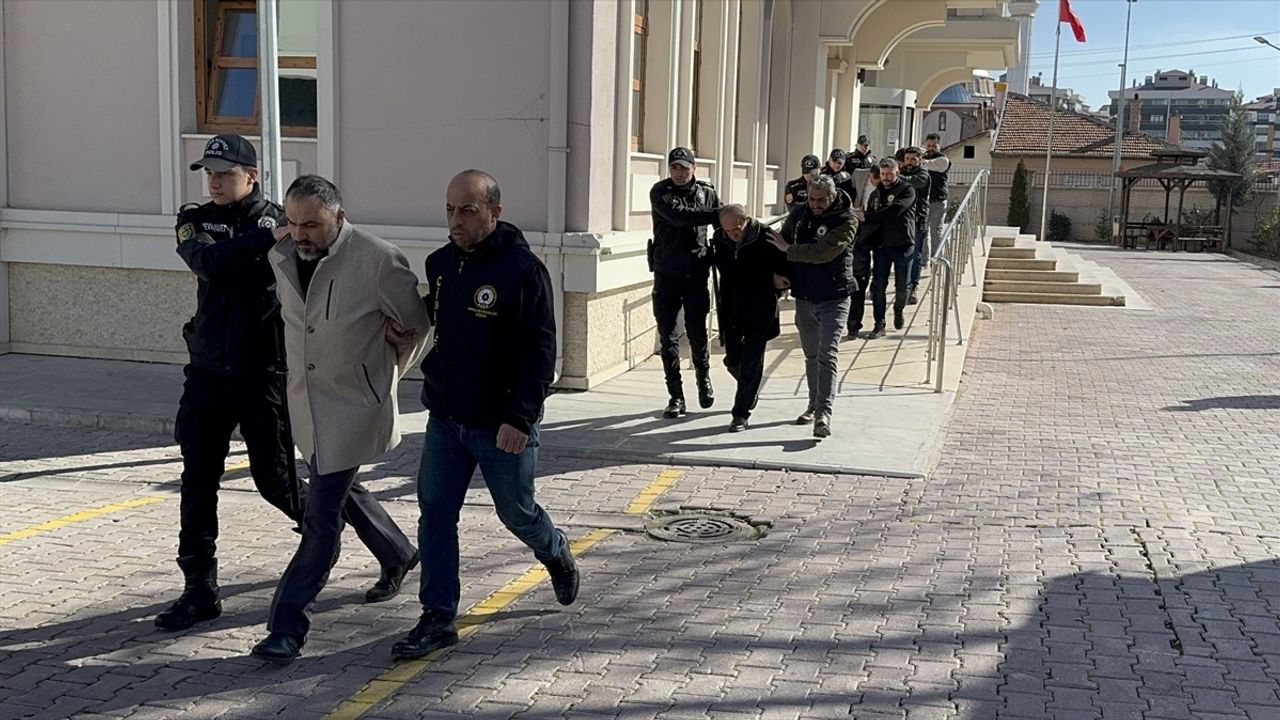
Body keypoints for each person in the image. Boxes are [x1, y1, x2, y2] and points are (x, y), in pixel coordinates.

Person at [392, 170, 577, 661]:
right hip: (446, 421)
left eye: (468, 210)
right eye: (450, 209)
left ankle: (554, 548)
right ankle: (437, 617)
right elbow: (432, 329)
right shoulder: (439, 264)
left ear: (494, 211)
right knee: (435, 515)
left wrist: (521, 418)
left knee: (516, 514)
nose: (456, 220)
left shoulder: (522, 271)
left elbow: (541, 353)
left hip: (502, 425)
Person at [250, 175, 427, 662]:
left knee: (321, 515)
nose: (301, 233)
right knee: (341, 486)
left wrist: (385, 375)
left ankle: (286, 626)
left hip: (353, 408)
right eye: (293, 222)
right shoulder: (283, 255)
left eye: (313, 224)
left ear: (339, 218)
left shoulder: (378, 259)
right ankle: (397, 553)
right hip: (307, 407)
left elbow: (417, 327)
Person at [157, 134, 304, 631]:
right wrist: (270, 239)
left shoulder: (283, 220)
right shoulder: (194, 220)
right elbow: (210, 263)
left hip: (262, 372)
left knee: (278, 483)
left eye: (226, 173)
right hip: (208, 372)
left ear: (252, 176)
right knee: (198, 480)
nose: (216, 182)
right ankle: (199, 589)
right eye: (210, 173)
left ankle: (369, 541)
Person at [767, 175, 858, 439]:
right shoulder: (799, 213)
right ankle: (812, 404)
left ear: (832, 196)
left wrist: (790, 249)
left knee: (827, 354)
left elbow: (822, 252)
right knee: (811, 356)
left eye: (822, 200)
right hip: (805, 296)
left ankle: (823, 414)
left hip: (835, 295)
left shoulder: (846, 219)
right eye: (813, 199)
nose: (816, 205)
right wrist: (778, 273)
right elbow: (779, 244)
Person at [648, 147, 721, 418]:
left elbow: (723, 229)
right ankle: (675, 396)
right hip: (667, 273)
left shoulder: (707, 193)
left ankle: (703, 379)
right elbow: (680, 216)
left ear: (694, 168)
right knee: (668, 336)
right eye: (674, 168)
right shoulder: (660, 191)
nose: (678, 173)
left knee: (697, 332)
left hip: (695, 274)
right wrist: (718, 213)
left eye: (684, 168)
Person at [709, 205, 789, 432]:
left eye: (735, 229)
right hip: (731, 309)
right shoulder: (720, 238)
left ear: (746, 221)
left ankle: (740, 414)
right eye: (726, 230)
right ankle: (750, 390)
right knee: (733, 360)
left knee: (752, 362)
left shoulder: (766, 237)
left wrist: (778, 279)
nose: (731, 234)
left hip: (760, 308)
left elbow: (786, 266)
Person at [858, 158, 917, 338]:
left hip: (903, 245)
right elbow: (869, 216)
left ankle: (898, 309)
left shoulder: (907, 190)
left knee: (902, 288)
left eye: (889, 173)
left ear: (897, 172)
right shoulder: (876, 193)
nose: (886, 177)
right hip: (882, 247)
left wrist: (867, 217)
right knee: (878, 287)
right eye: (883, 174)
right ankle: (879, 324)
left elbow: (895, 211)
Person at [847, 164, 881, 339]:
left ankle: (876, 320)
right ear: (870, 177)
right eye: (876, 180)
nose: (878, 183)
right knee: (859, 281)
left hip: (879, 236)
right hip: (860, 235)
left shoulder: (888, 189)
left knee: (875, 279)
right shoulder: (859, 175)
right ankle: (853, 325)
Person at [898, 147, 932, 306]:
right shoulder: (900, 172)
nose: (910, 162)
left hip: (918, 220)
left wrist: (896, 177)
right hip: (901, 220)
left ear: (919, 159)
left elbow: (916, 182)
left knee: (915, 255)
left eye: (913, 159)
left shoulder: (923, 174)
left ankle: (913, 287)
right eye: (907, 159)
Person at [922, 133, 953, 258]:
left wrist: (920, 158)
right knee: (923, 231)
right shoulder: (923, 158)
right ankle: (924, 258)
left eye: (934, 146)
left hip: (938, 200)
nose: (930, 148)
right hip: (924, 200)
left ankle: (937, 258)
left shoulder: (943, 160)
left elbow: (928, 164)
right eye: (928, 146)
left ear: (939, 146)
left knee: (936, 231)